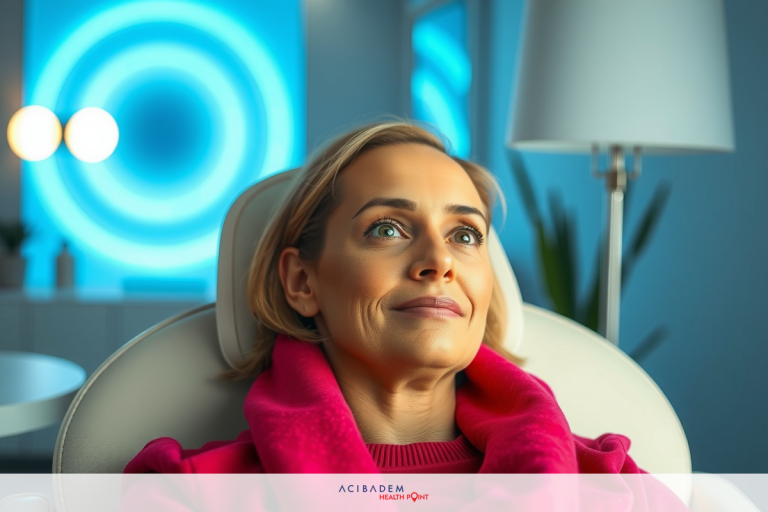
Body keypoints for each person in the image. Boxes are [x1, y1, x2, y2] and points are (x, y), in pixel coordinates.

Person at [124, 122, 642, 474]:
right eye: (387, 228)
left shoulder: (611, 486)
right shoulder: (188, 494)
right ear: (302, 282)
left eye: (464, 235)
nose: (439, 261)